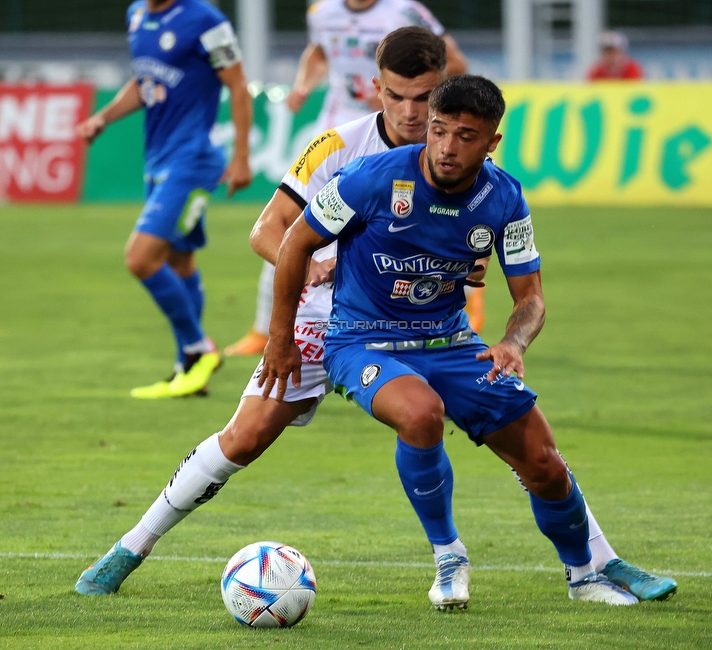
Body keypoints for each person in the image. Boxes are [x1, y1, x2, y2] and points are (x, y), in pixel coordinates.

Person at [73, 32, 675, 609]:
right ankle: (129, 547)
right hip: (324, 314)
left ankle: (596, 564)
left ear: (446, 91)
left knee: (532, 445)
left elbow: (509, 272)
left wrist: (487, 308)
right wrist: (315, 276)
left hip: (432, 328)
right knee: (247, 436)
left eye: (425, 99)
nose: (414, 114)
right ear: (374, 89)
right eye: (398, 96)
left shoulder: (477, 166)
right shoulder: (341, 149)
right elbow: (271, 231)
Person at [260, 74, 677, 608]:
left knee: (544, 462)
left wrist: (513, 343)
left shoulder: (503, 198)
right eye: (438, 131)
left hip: (452, 344)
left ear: (491, 143)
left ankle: (586, 574)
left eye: (464, 135)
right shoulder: (370, 177)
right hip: (363, 341)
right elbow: (295, 243)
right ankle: (449, 554)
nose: (446, 147)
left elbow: (531, 299)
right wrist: (281, 338)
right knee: (420, 413)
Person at [224, 0, 474, 358]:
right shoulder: (321, 13)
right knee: (294, 231)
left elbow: (454, 61)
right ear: (379, 85)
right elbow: (319, 52)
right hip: (344, 121)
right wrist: (302, 87)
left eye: (422, 94)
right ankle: (263, 328)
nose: (409, 105)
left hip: (402, 127)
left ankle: (452, 314)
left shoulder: (406, 12)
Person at [76, 0, 253, 398]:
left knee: (140, 258)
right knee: (179, 261)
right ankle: (187, 374)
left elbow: (238, 85)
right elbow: (145, 83)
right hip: (157, 160)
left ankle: (199, 348)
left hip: (191, 162)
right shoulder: (137, 14)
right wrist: (102, 118)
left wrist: (241, 156)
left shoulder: (205, 19)